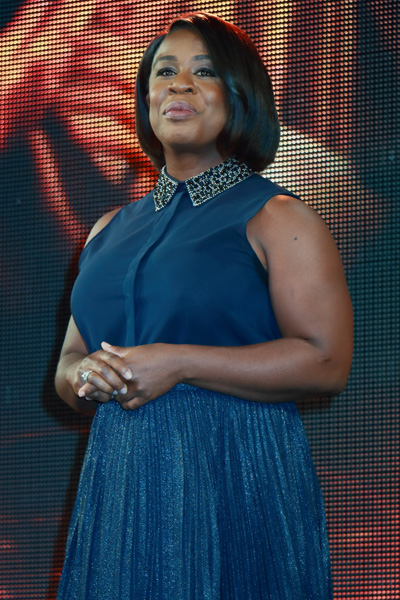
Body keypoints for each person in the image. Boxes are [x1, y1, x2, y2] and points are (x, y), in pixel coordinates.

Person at [55, 12, 353, 599]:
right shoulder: (107, 229)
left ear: (240, 96)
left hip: (236, 469)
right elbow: (69, 364)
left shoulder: (279, 216)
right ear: (146, 100)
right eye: (165, 72)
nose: (180, 84)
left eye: (205, 71)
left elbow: (326, 362)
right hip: (119, 479)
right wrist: (85, 374)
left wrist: (181, 363)